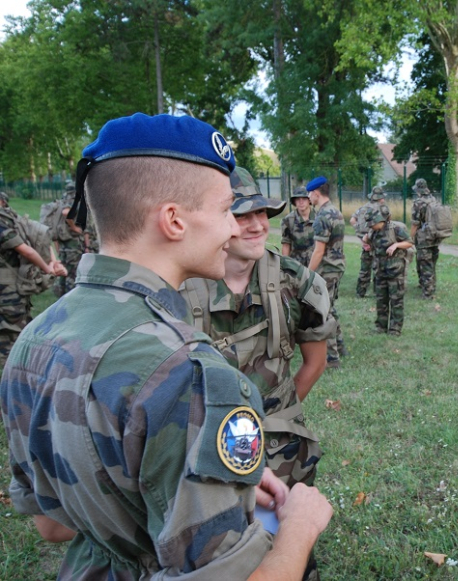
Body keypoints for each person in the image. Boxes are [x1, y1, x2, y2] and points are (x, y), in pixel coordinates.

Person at [0, 113, 332, 580]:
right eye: (224, 211)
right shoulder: (188, 373)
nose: (235, 230)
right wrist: (299, 527)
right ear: (173, 221)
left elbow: (51, 526)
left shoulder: (32, 341)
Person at [181, 166, 334, 581]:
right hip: (201, 453)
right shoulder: (178, 288)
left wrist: (278, 416)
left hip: (282, 452)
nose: (257, 226)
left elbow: (314, 362)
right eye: (241, 215)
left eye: (262, 213)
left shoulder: (297, 281)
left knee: (291, 550)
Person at [0, 190, 66, 368]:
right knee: (18, 330)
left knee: (11, 335)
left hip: (7, 291)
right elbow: (38, 236)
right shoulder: (12, 218)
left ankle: (15, 374)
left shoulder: (4, 221)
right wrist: (52, 263)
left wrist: (47, 268)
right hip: (15, 288)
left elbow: (26, 249)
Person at [306, 175, 346, 369]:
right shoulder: (336, 212)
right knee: (331, 308)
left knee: (323, 312)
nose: (308, 198)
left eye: (309, 194)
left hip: (327, 270)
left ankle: (332, 357)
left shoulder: (322, 216)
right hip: (337, 267)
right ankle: (340, 345)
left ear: (315, 193)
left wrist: (308, 274)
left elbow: (319, 250)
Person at [362, 205, 413, 336]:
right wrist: (366, 242)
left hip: (395, 271)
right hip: (379, 271)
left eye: (373, 223)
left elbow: (409, 242)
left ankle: (395, 329)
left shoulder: (395, 229)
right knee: (381, 300)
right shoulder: (373, 231)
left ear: (381, 221)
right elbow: (367, 240)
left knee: (396, 301)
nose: (371, 226)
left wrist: (396, 245)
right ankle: (381, 326)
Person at [49, 180, 88, 297]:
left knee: (64, 269)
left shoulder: (62, 199)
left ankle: (61, 294)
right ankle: (71, 296)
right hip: (73, 242)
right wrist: (74, 227)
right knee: (72, 272)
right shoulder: (73, 198)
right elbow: (66, 212)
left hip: (64, 241)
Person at [350, 186, 387, 298]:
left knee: (365, 268)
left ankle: (360, 292)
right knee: (379, 267)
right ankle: (378, 292)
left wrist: (362, 237)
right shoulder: (382, 208)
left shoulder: (363, 208)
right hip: (377, 241)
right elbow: (385, 224)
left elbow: (352, 220)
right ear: (381, 198)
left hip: (365, 241)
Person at [410, 178, 440, 300]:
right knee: (431, 262)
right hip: (435, 236)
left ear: (418, 190)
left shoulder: (418, 203)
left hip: (423, 238)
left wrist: (410, 238)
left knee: (425, 264)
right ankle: (430, 285)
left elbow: (415, 223)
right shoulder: (434, 200)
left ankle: (427, 293)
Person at [282, 186, 315, 266]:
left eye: (304, 199)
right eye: (298, 199)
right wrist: (285, 265)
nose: (301, 202)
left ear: (309, 200)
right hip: (296, 265)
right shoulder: (288, 220)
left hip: (316, 263)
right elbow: (286, 245)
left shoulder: (319, 218)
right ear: (294, 202)